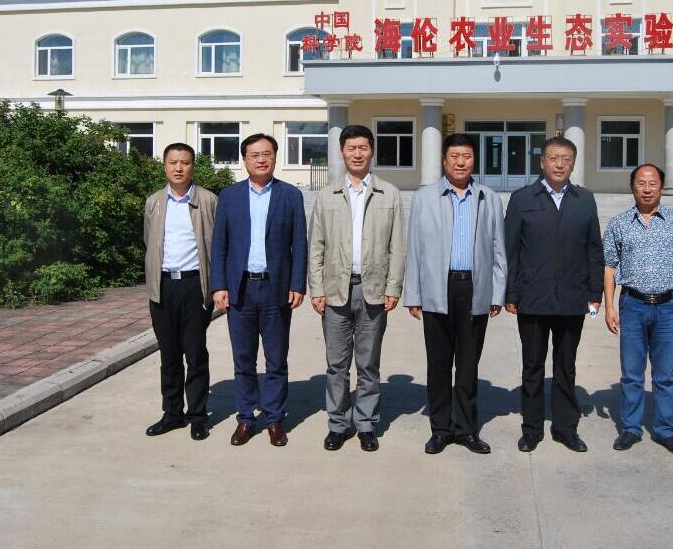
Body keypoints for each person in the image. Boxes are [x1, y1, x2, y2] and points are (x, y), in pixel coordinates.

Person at [404, 133, 506, 455]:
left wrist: (497, 293)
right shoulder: (425, 197)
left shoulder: (488, 198)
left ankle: (466, 429)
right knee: (438, 363)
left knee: (468, 364)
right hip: (437, 287)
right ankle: (441, 429)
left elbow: (498, 249)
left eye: (467, 156)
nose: (461, 162)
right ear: (444, 160)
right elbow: (414, 247)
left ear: (474, 160)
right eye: (455, 156)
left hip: (474, 288)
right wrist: (413, 293)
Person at [308, 124, 406, 452]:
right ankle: (338, 424)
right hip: (335, 290)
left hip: (372, 290)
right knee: (336, 364)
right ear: (342, 152)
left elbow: (397, 246)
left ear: (372, 151)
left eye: (363, 147)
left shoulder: (389, 194)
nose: (357, 154)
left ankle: (365, 423)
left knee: (368, 364)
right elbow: (316, 246)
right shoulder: (327, 195)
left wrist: (393, 287)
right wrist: (316, 289)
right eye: (351, 148)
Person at [504, 136, 602, 454]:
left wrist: (595, 292)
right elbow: (510, 249)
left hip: (572, 299)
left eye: (566, 159)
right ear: (542, 162)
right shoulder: (522, 198)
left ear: (573, 163)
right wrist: (510, 291)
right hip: (532, 299)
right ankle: (532, 429)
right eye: (553, 158)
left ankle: (565, 428)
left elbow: (594, 249)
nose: (559, 164)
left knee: (566, 367)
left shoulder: (584, 199)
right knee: (532, 367)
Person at [211, 133, 307, 447]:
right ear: (245, 160)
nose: (261, 160)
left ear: (275, 157)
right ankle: (245, 418)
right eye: (255, 155)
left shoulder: (290, 195)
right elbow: (220, 245)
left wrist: (297, 283)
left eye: (267, 154)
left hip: (275, 288)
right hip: (240, 289)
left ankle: (275, 419)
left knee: (276, 360)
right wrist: (219, 285)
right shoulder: (229, 196)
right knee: (244, 360)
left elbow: (299, 244)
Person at [602, 163, 673, 456]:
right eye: (641, 184)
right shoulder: (619, 223)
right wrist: (609, 307)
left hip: (668, 307)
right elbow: (609, 267)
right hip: (632, 305)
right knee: (632, 373)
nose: (647, 189)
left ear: (662, 187)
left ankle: (665, 430)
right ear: (632, 187)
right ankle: (631, 428)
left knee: (665, 374)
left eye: (653, 183)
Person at [142, 143, 218, 441]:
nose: (178, 168)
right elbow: (149, 241)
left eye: (184, 162)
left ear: (192, 166)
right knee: (169, 354)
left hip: (194, 286)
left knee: (195, 353)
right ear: (164, 165)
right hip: (163, 287)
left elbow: (217, 245)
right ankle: (172, 413)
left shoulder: (208, 200)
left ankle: (198, 416)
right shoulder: (154, 202)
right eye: (173, 162)